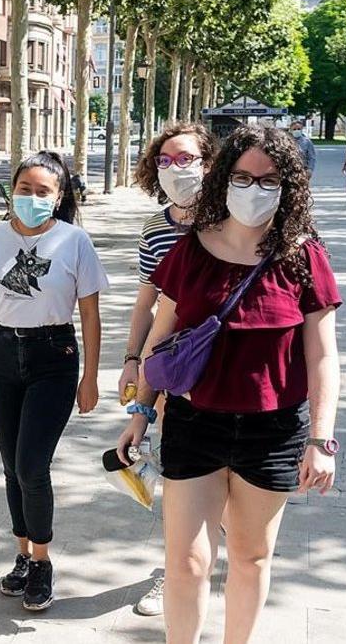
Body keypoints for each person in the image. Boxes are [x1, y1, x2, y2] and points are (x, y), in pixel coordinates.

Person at [116, 125, 342, 644]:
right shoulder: (190, 250)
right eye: (242, 177)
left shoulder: (306, 258)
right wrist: (141, 415)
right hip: (194, 424)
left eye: (268, 180)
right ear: (223, 179)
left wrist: (321, 440)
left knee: (251, 556)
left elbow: (324, 355)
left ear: (290, 186)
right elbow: (161, 339)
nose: (254, 189)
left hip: (275, 431)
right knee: (187, 560)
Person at [0, 151, 108, 611]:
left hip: (53, 358)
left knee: (31, 467)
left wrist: (92, 377)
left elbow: (90, 314)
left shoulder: (74, 241)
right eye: (25, 189)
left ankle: (42, 562)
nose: (32, 198)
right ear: (11, 192)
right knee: (10, 466)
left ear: (59, 199)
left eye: (43, 192)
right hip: (2, 356)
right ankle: (22, 555)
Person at [119, 122, 217, 617]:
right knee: (177, 472)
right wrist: (132, 361)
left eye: (186, 159)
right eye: (165, 160)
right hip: (173, 366)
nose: (175, 168)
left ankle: (209, 554)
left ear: (208, 163)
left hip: (224, 368)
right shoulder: (156, 229)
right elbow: (145, 304)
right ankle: (174, 568)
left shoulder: (229, 221)